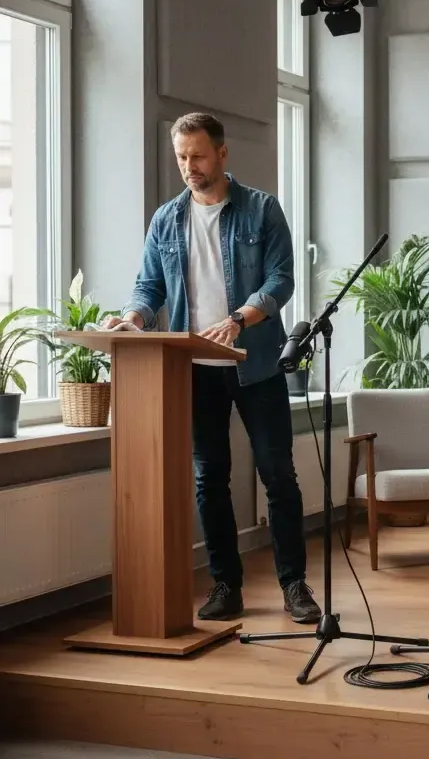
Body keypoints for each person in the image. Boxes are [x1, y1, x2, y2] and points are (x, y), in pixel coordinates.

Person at [104, 112, 321, 625]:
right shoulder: (166, 219)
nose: (189, 167)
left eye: (197, 156)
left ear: (222, 154)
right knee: (209, 478)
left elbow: (281, 279)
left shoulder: (262, 209)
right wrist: (132, 315)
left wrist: (239, 320)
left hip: (257, 363)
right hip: (194, 368)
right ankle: (227, 585)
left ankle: (294, 585)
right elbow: (149, 286)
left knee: (278, 476)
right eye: (181, 157)